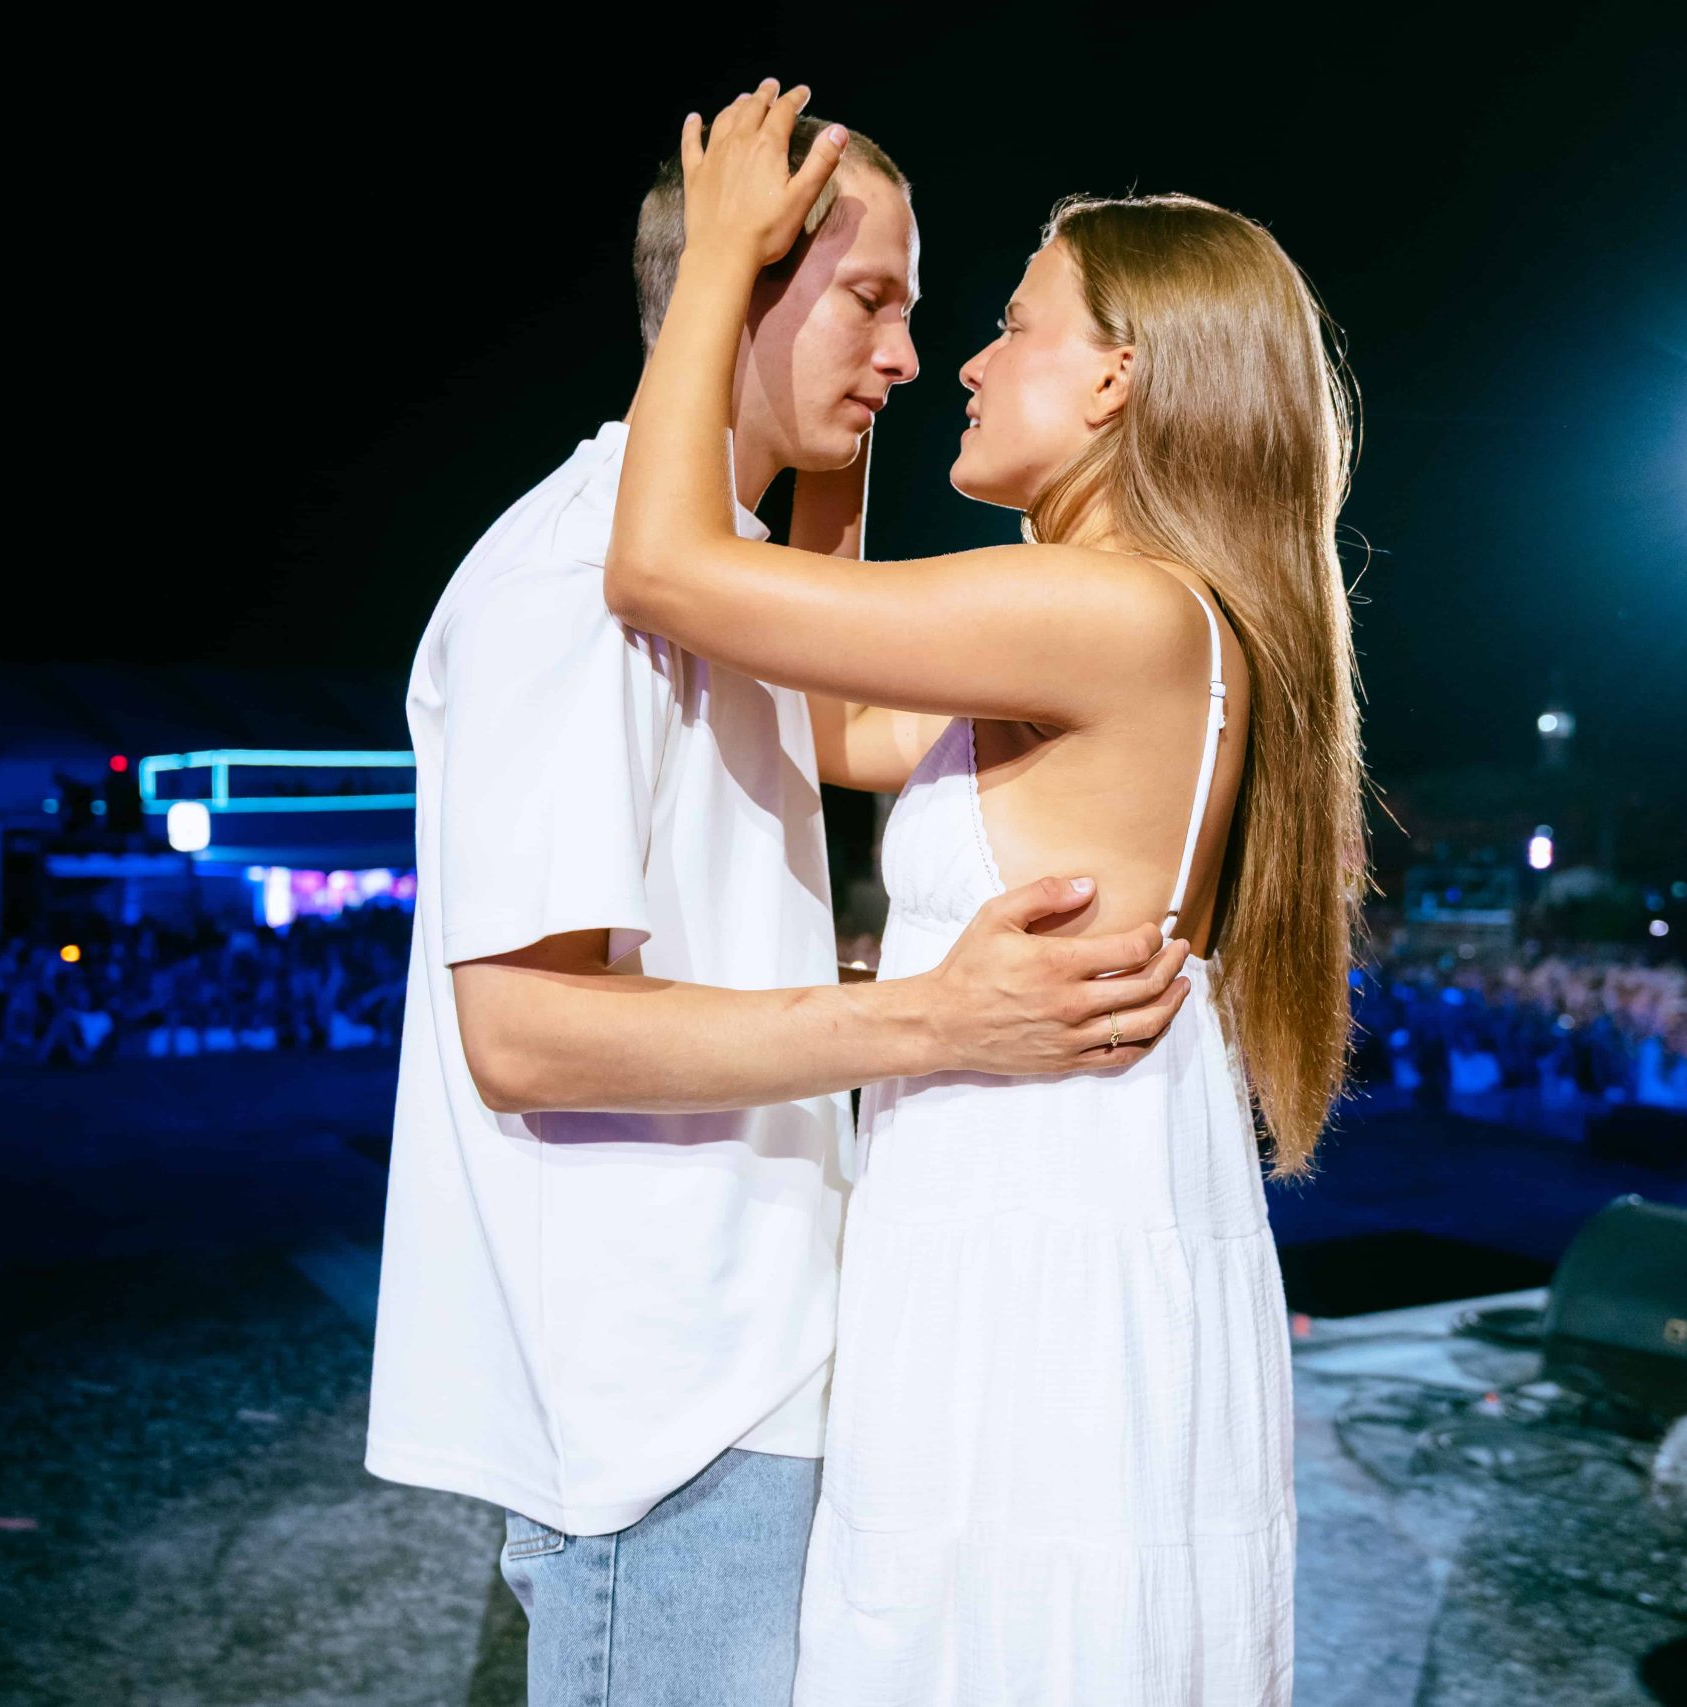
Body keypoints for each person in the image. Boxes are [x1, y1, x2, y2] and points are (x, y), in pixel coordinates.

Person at [365, 106, 1194, 1707]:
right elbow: (523, 1033)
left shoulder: (720, 577)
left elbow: (827, 711)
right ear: (735, 281)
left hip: (742, 1363)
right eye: (872, 299)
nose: (910, 356)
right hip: (667, 1401)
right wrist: (931, 1019)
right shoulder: (571, 584)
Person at [608, 82, 1365, 1705]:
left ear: (1115, 377)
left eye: (1013, 326)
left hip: (1035, 1253)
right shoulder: (1116, 618)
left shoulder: (1109, 611)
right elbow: (840, 725)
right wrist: (838, 447)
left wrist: (721, 276)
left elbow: (661, 569)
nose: (953, 360)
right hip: (1030, 1211)